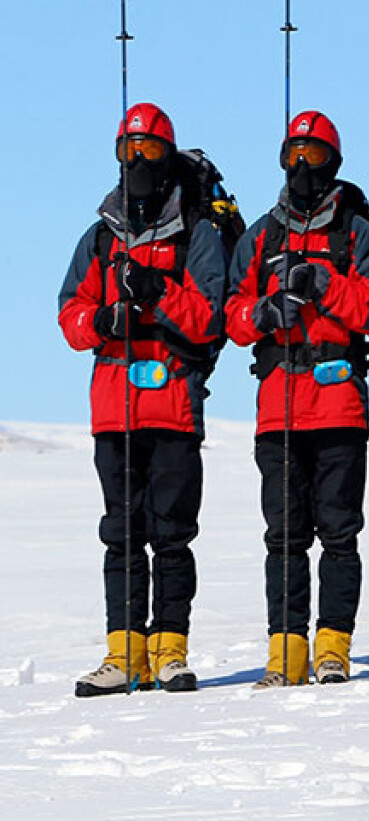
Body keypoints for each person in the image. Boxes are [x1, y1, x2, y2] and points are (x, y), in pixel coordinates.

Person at [58, 102, 226, 695]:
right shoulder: (100, 237)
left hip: (175, 406)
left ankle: (170, 650)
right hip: (114, 409)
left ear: (168, 157)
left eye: (150, 149)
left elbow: (209, 319)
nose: (138, 160)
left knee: (173, 534)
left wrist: (159, 292)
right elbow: (68, 316)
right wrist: (103, 319)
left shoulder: (199, 236)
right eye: (129, 149)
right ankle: (122, 653)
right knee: (121, 533)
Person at [224, 111, 369, 687]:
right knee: (284, 538)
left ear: (334, 164)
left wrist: (322, 284)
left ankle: (334, 650)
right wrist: (264, 312)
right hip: (278, 409)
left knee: (340, 534)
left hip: (340, 405)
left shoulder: (358, 233)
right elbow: (232, 317)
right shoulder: (261, 236)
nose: (301, 166)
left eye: (313, 156)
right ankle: (285, 654)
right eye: (294, 153)